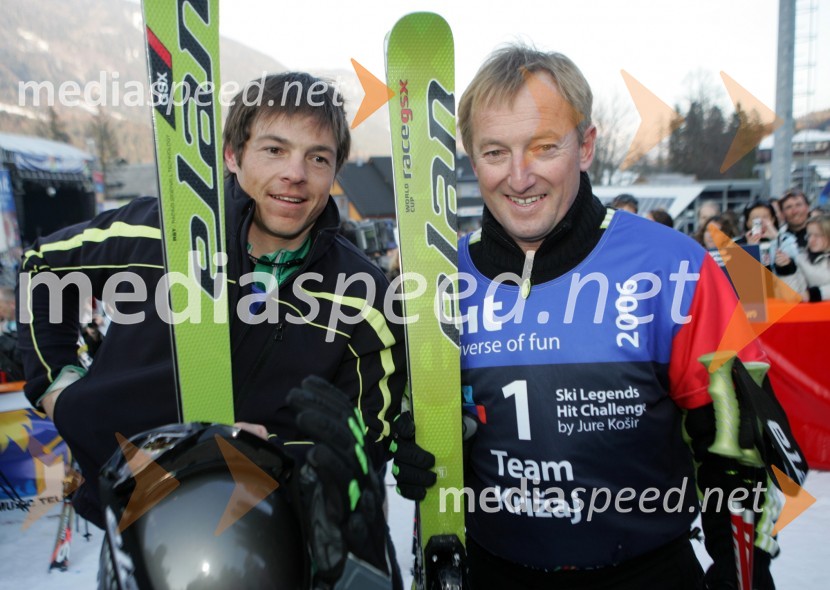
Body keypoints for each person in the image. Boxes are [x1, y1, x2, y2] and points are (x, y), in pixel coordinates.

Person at [391, 44, 783, 589]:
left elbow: (738, 448)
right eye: (495, 152)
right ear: (470, 155)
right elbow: (405, 420)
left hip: (647, 572)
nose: (520, 176)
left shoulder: (674, 267)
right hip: (494, 571)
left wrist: (743, 576)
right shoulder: (438, 280)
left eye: (544, 147)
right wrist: (413, 443)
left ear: (586, 145)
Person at [16, 72, 406, 539]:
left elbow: (364, 443)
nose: (295, 174)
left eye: (317, 157)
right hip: (136, 521)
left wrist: (271, 454)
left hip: (277, 534)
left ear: (335, 170)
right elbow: (43, 268)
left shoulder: (361, 292)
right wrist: (57, 386)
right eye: (274, 149)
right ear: (233, 156)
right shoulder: (158, 233)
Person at [775, 214, 830, 302]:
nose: (811, 240)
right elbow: (794, 296)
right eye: (809, 235)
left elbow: (808, 295)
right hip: (819, 313)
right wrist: (787, 269)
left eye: (817, 235)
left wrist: (816, 294)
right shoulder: (802, 259)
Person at [734, 199, 799, 271]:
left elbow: (796, 263)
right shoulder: (736, 244)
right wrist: (751, 250)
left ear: (773, 219)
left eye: (765, 217)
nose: (761, 221)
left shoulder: (786, 239)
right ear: (747, 223)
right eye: (755, 218)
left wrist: (776, 239)